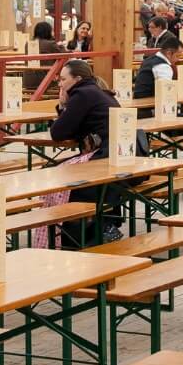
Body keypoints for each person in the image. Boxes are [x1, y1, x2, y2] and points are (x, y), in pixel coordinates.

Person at [48, 57, 123, 243]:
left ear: (77, 79)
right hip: (120, 155)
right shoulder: (98, 92)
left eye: (63, 79)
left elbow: (58, 132)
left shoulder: (82, 95)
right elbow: (73, 126)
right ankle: (105, 225)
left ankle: (68, 238)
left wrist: (63, 105)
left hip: (106, 157)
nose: (60, 83)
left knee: (57, 177)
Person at [135, 33, 179, 99]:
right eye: (177, 56)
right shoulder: (162, 66)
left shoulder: (150, 59)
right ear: (169, 53)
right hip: (150, 103)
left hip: (141, 98)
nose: (178, 59)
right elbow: (166, 90)